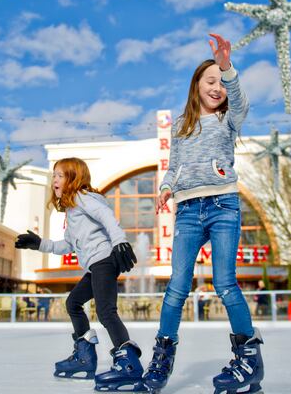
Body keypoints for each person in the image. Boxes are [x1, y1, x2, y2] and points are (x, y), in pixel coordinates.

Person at [144, 33, 262, 394]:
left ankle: (248, 358)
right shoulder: (181, 127)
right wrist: (166, 188)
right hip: (188, 211)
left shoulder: (229, 119)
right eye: (210, 81)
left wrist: (227, 67)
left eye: (221, 83)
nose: (218, 88)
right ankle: (162, 357)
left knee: (225, 283)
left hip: (224, 205)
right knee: (177, 288)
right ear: (196, 85)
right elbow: (173, 167)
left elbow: (239, 98)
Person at [15, 157, 143, 391]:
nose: (54, 180)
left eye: (60, 175)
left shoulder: (83, 198)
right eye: (54, 175)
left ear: (74, 178)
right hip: (96, 265)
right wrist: (39, 244)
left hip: (104, 260)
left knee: (106, 312)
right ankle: (85, 355)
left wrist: (120, 242)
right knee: (73, 303)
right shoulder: (73, 210)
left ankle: (128, 363)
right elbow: (67, 245)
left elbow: (107, 216)